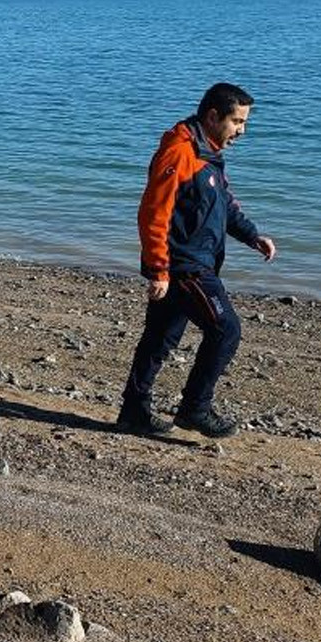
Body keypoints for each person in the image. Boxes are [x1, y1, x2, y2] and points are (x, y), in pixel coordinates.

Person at [117, 81, 275, 438]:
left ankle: (133, 412)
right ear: (213, 116)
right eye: (237, 122)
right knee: (226, 331)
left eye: (245, 122)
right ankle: (195, 408)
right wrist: (158, 269)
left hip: (194, 261)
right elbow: (153, 213)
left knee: (160, 338)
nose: (242, 131)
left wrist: (252, 236)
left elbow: (223, 204)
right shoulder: (179, 153)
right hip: (183, 265)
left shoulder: (208, 153)